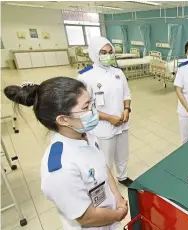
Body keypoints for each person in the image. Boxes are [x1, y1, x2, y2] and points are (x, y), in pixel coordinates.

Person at [4, 77, 129, 230]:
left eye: (91, 103)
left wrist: (117, 197)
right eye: (86, 107)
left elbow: (102, 166)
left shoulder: (85, 134)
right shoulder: (60, 169)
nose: (94, 111)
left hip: (110, 218)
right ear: (63, 120)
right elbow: (87, 217)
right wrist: (117, 215)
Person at [77, 36, 133, 187]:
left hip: (122, 122)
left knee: (122, 154)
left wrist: (126, 110)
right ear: (95, 53)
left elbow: (127, 94)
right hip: (102, 126)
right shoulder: (85, 76)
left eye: (110, 52)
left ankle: (122, 176)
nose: (107, 55)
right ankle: (107, 184)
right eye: (103, 52)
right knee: (105, 158)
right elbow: (84, 108)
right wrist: (109, 118)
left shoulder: (118, 73)